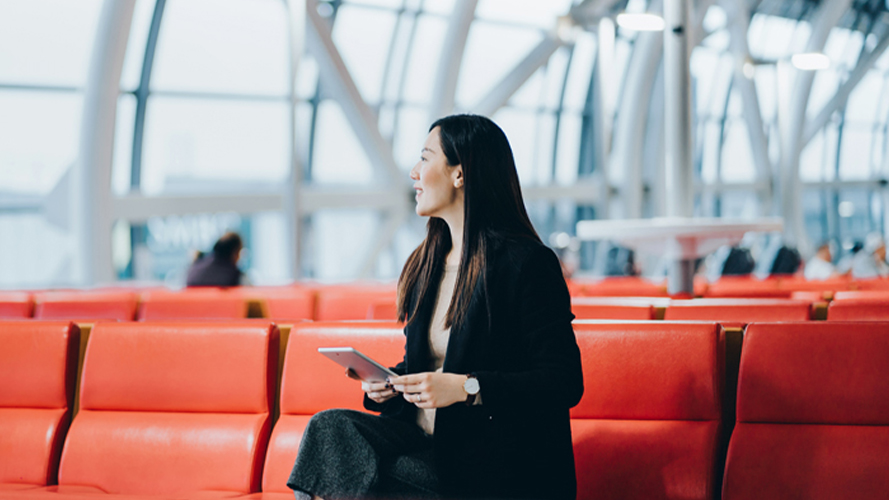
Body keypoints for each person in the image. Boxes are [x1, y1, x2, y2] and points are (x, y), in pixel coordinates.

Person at [287, 115, 584, 500]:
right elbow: (427, 369)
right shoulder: (427, 263)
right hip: (430, 447)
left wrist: (466, 387)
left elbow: (563, 382)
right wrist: (391, 385)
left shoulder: (527, 264)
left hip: (496, 459)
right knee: (330, 430)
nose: (413, 172)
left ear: (460, 174)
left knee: (361, 475)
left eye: (425, 158)